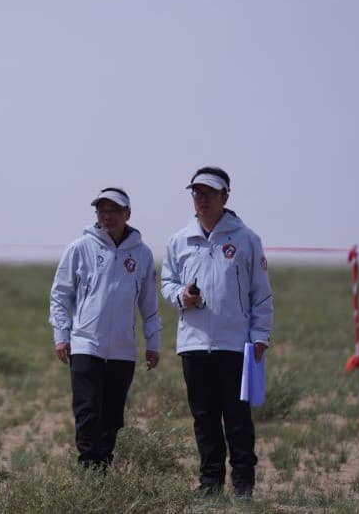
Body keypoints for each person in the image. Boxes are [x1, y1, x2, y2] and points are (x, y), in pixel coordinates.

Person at [160, 166, 273, 499]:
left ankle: (243, 485)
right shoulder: (178, 240)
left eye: (209, 193)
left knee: (237, 420)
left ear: (226, 196)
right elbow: (166, 283)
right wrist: (183, 297)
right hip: (193, 345)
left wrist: (261, 336)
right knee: (204, 419)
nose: (202, 199)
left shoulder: (246, 239)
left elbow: (261, 294)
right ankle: (210, 485)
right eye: (197, 193)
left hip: (235, 345)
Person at [50, 187, 162, 470]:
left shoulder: (143, 254)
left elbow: (149, 304)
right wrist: (62, 336)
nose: (107, 217)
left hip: (123, 349)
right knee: (87, 411)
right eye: (102, 211)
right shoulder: (79, 248)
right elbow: (60, 295)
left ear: (128, 214)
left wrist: (153, 343)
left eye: (114, 211)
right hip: (86, 343)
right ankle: (89, 471)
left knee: (112, 416)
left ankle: (104, 469)